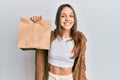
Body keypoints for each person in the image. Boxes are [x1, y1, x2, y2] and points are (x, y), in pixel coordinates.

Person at [31, 4, 87, 80]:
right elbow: (27, 45)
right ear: (58, 19)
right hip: (50, 77)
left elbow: (82, 65)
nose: (67, 19)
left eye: (71, 16)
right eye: (63, 16)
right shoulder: (49, 36)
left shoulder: (79, 39)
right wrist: (35, 25)